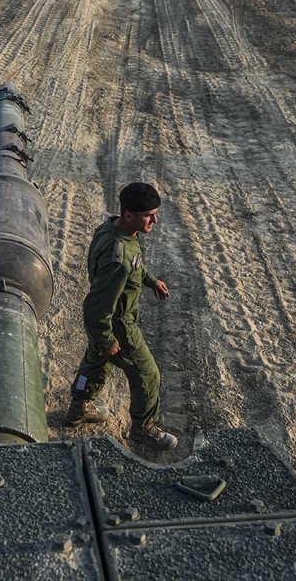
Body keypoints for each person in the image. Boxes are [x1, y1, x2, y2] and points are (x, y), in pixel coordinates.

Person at [66, 182, 177, 451]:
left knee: (96, 362)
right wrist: (107, 339)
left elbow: (134, 264)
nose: (155, 220)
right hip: (118, 323)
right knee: (147, 374)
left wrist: (151, 280)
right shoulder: (120, 258)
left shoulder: (111, 229)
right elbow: (96, 307)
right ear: (129, 215)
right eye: (149, 215)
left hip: (108, 323)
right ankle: (143, 429)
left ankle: (79, 407)